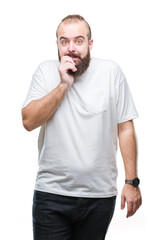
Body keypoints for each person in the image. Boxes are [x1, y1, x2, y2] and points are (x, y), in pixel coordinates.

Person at [22, 14, 142, 240]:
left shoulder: (110, 72)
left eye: (78, 41)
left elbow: (125, 127)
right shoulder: (46, 71)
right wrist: (63, 85)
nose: (71, 48)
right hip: (52, 194)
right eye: (64, 41)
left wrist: (131, 182)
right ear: (57, 45)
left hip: (99, 196)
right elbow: (28, 121)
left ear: (90, 44)